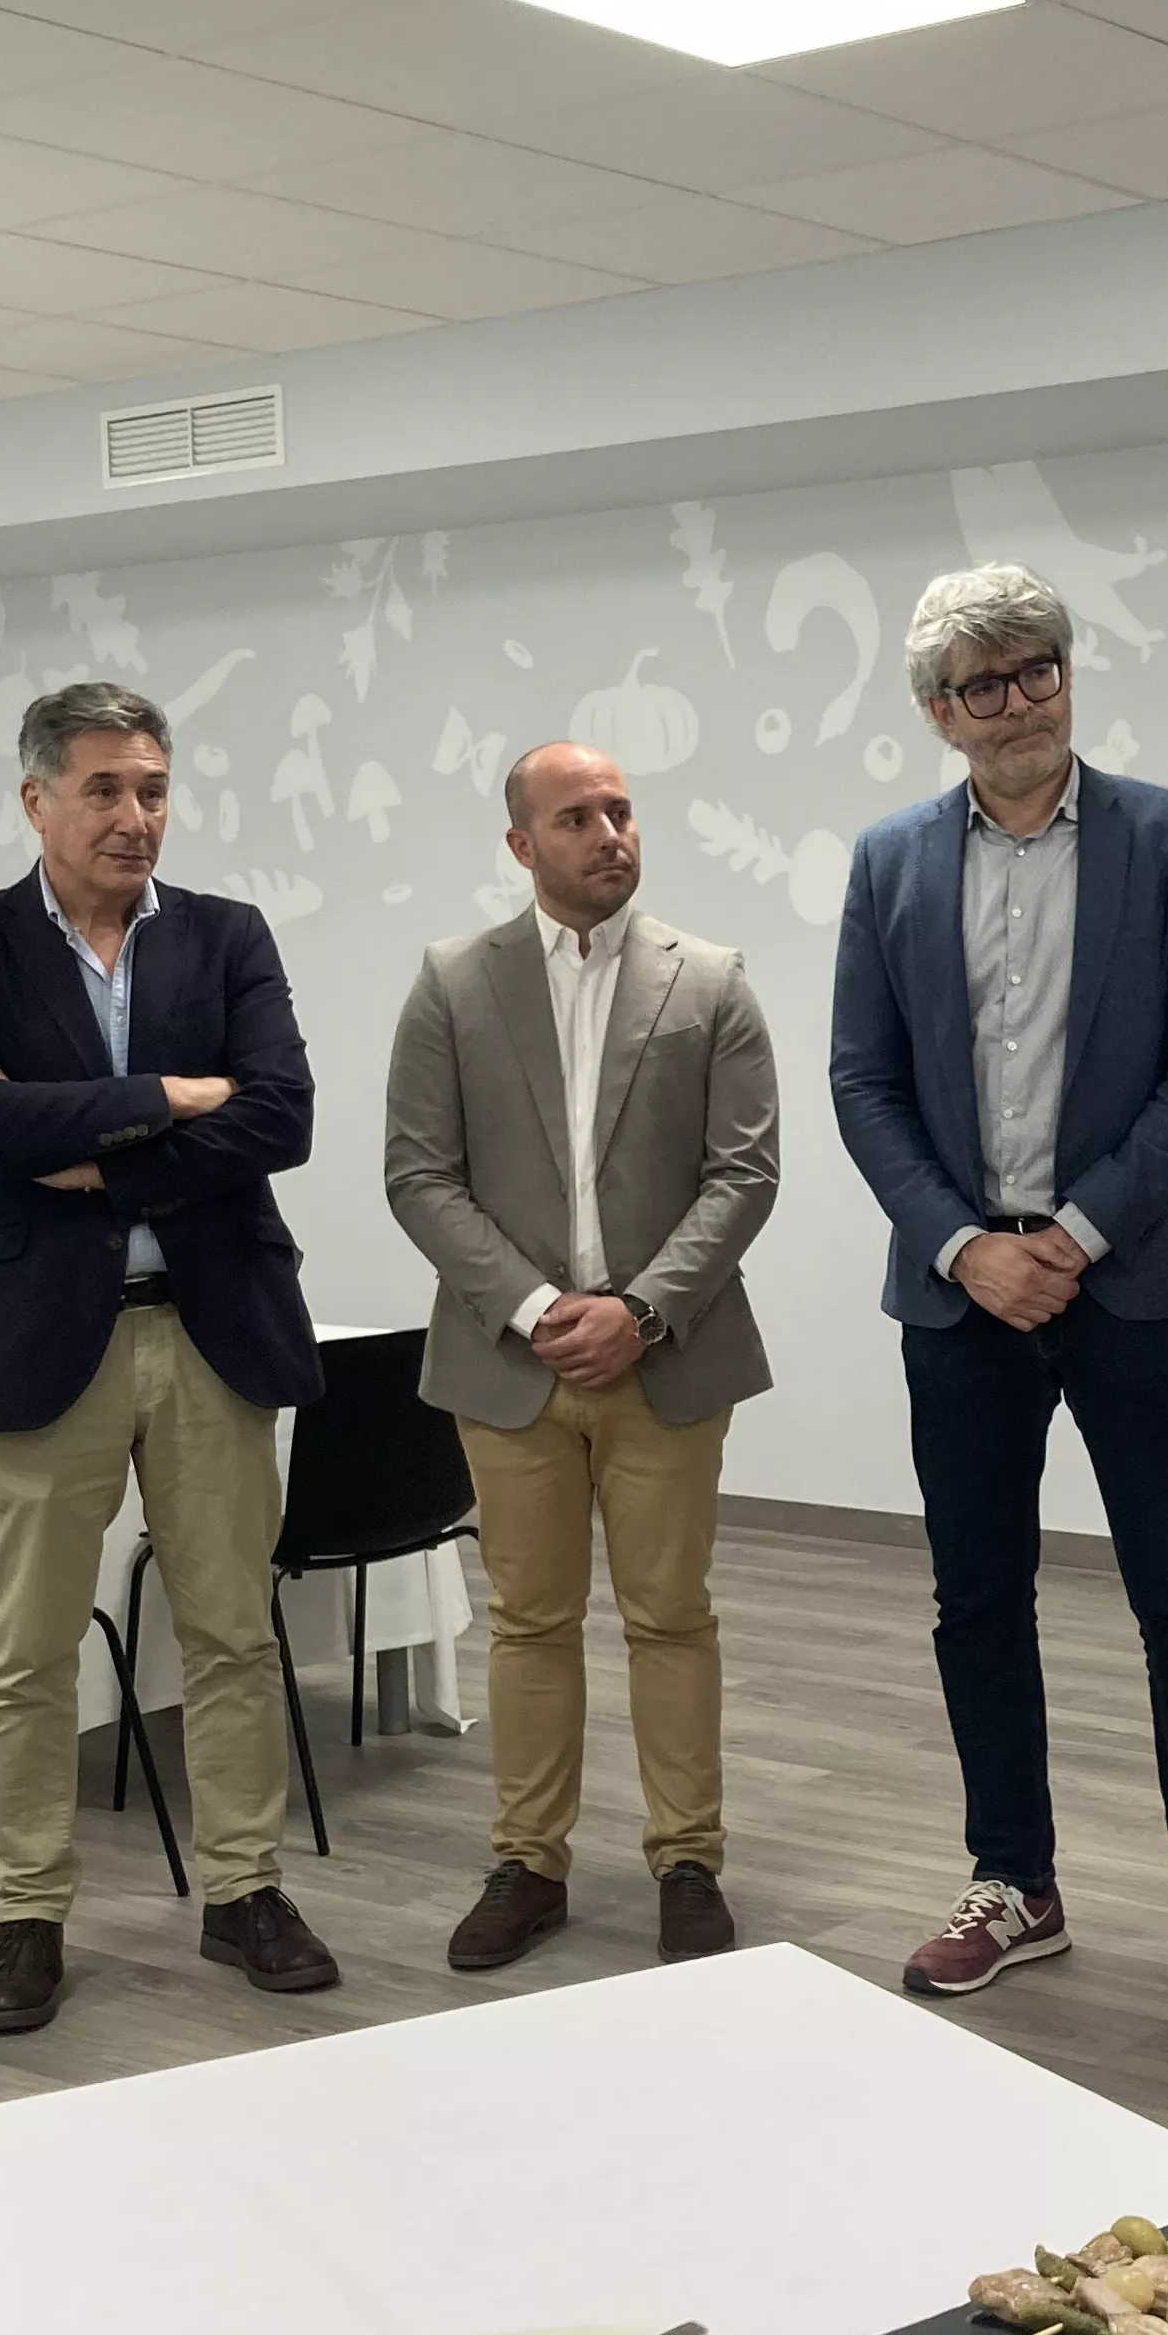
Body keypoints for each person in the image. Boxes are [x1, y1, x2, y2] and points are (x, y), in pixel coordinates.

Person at [827, 560, 1168, 2023]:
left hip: (1135, 1277)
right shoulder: (891, 862)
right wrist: (969, 1245)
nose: (1021, 700)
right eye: (987, 684)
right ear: (937, 713)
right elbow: (864, 1080)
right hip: (962, 1290)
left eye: (1039, 669)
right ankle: (1012, 1881)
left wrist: (1077, 1235)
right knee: (979, 1598)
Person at [0, 678, 339, 2038]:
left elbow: (284, 1116)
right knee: (29, 1650)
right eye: (103, 789)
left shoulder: (225, 935)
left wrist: (97, 1162)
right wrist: (165, 1094)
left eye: (152, 789)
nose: (134, 816)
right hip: (45, 1342)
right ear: (37, 798)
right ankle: (25, 1912)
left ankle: (242, 1889)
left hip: (211, 1333)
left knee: (228, 1633)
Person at [384, 737, 778, 1969]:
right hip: (514, 1367)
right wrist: (539, 1304)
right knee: (528, 1623)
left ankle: (689, 1862)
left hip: (668, 1358)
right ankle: (527, 1861)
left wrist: (640, 1310)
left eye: (621, 812)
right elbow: (418, 1174)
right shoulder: (454, 983)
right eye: (577, 818)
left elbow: (744, 1174)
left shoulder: (710, 981)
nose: (611, 834)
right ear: (521, 845)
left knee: (671, 1618)